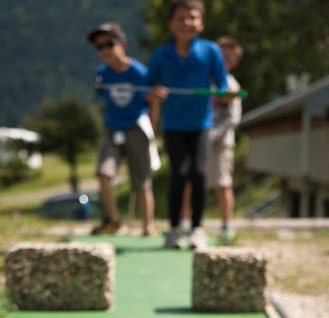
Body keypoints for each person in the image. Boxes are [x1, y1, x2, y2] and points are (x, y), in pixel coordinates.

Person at [146, 0, 228, 249]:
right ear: (172, 24)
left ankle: (197, 228)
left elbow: (222, 83)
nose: (187, 23)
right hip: (173, 126)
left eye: (192, 18)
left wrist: (221, 93)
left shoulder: (211, 51)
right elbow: (148, 88)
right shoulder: (161, 55)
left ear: (201, 23)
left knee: (200, 174)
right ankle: (173, 229)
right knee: (179, 175)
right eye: (181, 18)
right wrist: (154, 95)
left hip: (202, 125)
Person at [87, 22, 158, 236]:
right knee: (104, 173)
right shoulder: (103, 74)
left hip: (136, 128)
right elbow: (103, 99)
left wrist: (153, 131)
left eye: (109, 43)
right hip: (112, 129)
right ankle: (114, 221)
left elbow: (153, 103)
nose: (105, 50)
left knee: (142, 180)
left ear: (123, 44)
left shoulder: (140, 73)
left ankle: (148, 226)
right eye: (100, 47)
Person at [180, 36, 243, 244]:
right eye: (218, 55)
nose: (221, 60)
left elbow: (232, 118)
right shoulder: (204, 81)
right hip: (198, 139)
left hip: (221, 144)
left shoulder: (231, 85)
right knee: (191, 181)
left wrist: (212, 136)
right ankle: (185, 223)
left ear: (233, 62)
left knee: (222, 183)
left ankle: (226, 226)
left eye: (226, 57)